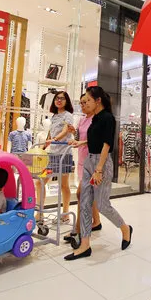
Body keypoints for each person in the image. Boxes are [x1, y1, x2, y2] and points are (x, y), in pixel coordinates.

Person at [65, 86, 132, 261]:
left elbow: (106, 144)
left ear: (98, 100)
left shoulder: (108, 118)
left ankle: (125, 228)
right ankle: (85, 245)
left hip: (101, 163)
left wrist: (99, 169)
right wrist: (82, 143)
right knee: (85, 202)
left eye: (87, 100)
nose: (85, 103)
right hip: (89, 161)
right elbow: (95, 138)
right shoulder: (94, 119)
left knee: (102, 205)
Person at [64, 93, 102, 245]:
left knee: (81, 194)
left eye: (86, 101)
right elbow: (80, 137)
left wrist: (83, 142)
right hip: (81, 160)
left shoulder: (98, 119)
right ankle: (97, 222)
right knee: (88, 194)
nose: (83, 105)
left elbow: (98, 140)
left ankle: (78, 229)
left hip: (92, 161)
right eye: (81, 102)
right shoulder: (82, 119)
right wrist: (73, 131)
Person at [39, 91, 74, 223]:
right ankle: (40, 213)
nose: (59, 100)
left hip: (64, 154)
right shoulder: (54, 116)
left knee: (64, 185)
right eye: (57, 98)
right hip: (52, 155)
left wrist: (53, 139)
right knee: (40, 181)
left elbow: (66, 131)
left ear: (67, 101)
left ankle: (65, 214)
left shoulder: (68, 115)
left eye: (62, 99)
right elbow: (50, 133)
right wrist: (42, 148)